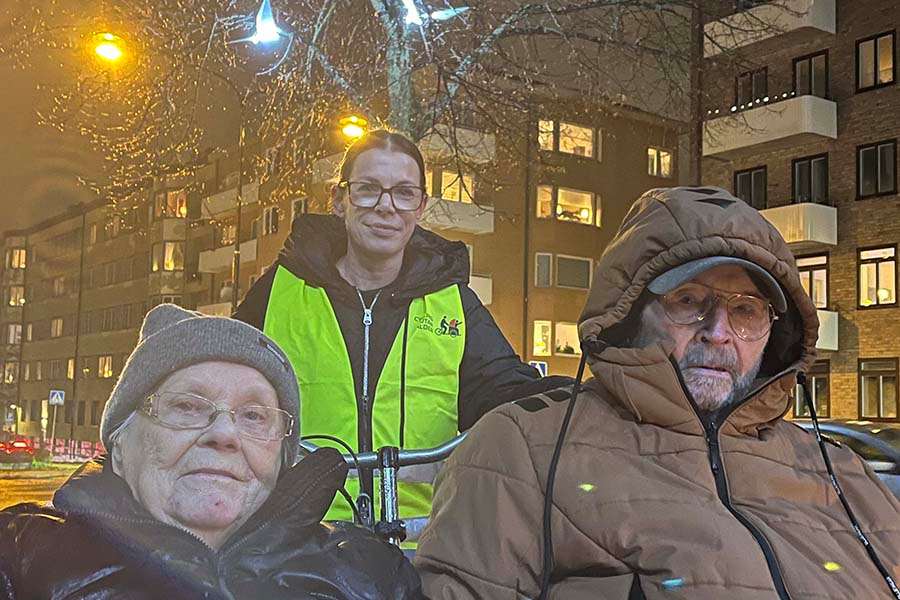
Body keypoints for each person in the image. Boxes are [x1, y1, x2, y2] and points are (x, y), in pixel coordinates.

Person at [415, 187, 900, 599]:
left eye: (746, 311)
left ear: (776, 333)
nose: (718, 332)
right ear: (629, 315)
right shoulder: (523, 451)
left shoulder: (839, 470)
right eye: (688, 301)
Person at [235, 129, 568, 538]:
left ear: (421, 206)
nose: (386, 206)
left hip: (420, 545)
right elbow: (220, 383)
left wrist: (586, 395)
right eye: (368, 190)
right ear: (340, 201)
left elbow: (505, 393)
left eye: (404, 192)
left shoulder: (454, 303)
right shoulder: (281, 291)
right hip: (297, 541)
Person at [0, 304, 423, 599]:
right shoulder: (19, 557)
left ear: (282, 457)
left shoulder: (372, 576)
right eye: (187, 406)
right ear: (120, 447)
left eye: (255, 416)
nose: (224, 434)